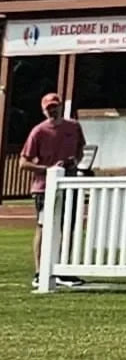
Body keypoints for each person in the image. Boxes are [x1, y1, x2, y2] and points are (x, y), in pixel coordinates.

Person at [19, 93, 85, 289]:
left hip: (69, 184)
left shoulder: (73, 127)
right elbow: (24, 163)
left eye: (55, 107)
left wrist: (75, 161)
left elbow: (81, 147)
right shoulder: (38, 131)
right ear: (43, 110)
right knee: (43, 227)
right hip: (44, 188)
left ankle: (64, 269)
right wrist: (47, 170)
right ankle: (40, 272)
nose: (52, 111)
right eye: (48, 108)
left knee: (68, 227)